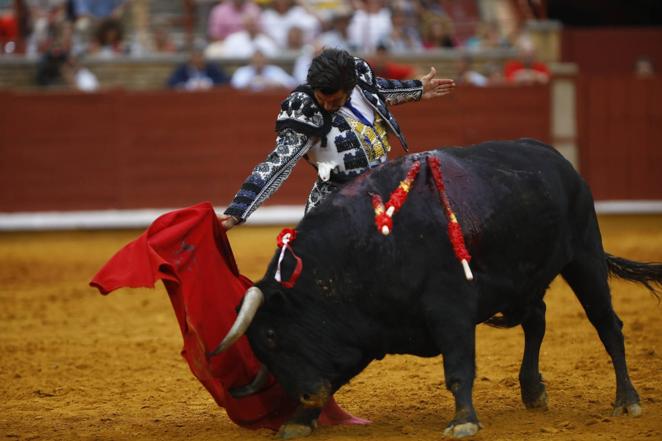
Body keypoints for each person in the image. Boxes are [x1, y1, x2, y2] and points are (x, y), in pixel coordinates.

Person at [219, 48, 455, 229]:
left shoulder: (358, 75)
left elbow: (380, 89)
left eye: (334, 101)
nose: (326, 106)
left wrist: (417, 89)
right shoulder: (304, 107)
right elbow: (278, 163)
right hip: (335, 201)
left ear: (350, 87)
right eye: (322, 99)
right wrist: (239, 209)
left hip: (385, 187)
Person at [230, 50, 296, 91]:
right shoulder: (242, 72)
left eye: (260, 61)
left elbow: (291, 83)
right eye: (256, 61)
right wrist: (249, 84)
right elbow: (234, 87)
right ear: (251, 61)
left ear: (265, 61)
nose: (258, 63)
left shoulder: (275, 71)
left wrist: (275, 85)